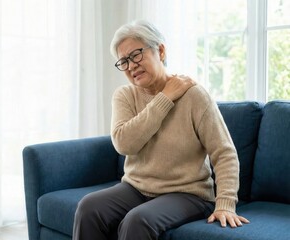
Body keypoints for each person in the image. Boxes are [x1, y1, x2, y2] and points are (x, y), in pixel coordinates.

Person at [72, 20, 249, 240]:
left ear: (161, 50)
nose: (131, 66)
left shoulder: (194, 95)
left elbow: (224, 153)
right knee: (88, 207)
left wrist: (226, 204)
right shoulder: (125, 95)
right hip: (136, 188)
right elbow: (124, 143)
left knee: (137, 221)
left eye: (136, 54)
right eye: (124, 61)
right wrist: (165, 98)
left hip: (187, 194)